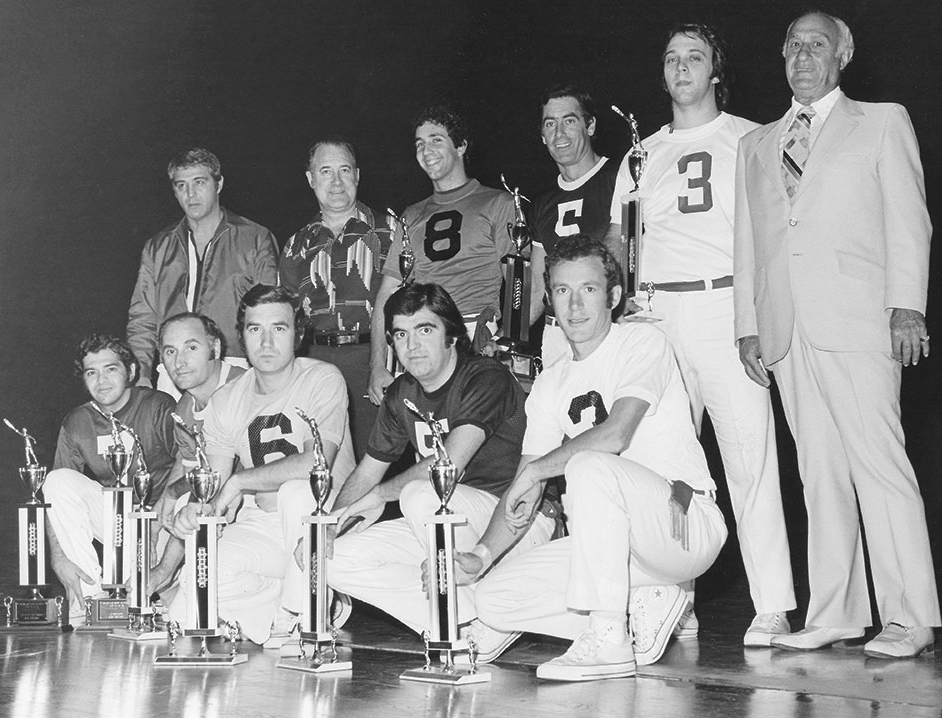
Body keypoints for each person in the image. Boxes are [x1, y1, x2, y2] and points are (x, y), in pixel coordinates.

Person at [734, 11, 938, 658]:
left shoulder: (881, 122)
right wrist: (748, 326)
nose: (802, 56)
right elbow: (748, 245)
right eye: (792, 45)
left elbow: (911, 221)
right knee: (819, 476)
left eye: (816, 45)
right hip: (787, 331)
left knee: (880, 468)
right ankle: (837, 612)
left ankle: (909, 616)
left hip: (859, 320)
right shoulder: (758, 144)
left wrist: (907, 305)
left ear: (842, 55)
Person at [601, 24, 795, 646]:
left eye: (694, 57)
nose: (681, 67)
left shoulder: (750, 138)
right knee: (663, 462)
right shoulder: (639, 155)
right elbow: (618, 241)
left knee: (749, 458)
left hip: (724, 308)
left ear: (716, 70)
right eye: (670, 58)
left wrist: (758, 317)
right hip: (655, 316)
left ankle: (772, 605)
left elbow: (776, 235)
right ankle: (672, 597)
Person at [468, 235, 727, 681]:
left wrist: (538, 469)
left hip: (682, 517)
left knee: (587, 464)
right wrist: (480, 553)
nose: (574, 305)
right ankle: (629, 605)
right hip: (613, 547)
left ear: (613, 296)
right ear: (549, 299)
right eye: (563, 291)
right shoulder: (551, 383)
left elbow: (615, 434)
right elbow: (523, 490)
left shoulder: (643, 342)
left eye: (588, 289)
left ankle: (609, 638)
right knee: (493, 600)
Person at [327, 283, 557, 645]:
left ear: (451, 335)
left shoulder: (485, 376)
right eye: (401, 334)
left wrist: (380, 497)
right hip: (442, 522)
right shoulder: (401, 393)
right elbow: (367, 471)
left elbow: (449, 464)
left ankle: (484, 609)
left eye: (425, 329)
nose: (412, 345)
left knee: (419, 495)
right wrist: (328, 527)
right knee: (334, 559)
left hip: (516, 522)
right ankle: (465, 620)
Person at [169, 285, 355, 644]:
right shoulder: (226, 400)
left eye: (279, 328)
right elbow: (217, 482)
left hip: (324, 521)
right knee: (194, 593)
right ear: (242, 336)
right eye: (255, 329)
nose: (266, 342)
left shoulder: (323, 377)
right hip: (265, 524)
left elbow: (316, 465)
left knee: (297, 491)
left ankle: (308, 612)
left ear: (298, 334)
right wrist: (197, 508)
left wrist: (239, 484)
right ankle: (288, 600)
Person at [367, 106, 515, 403]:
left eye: (436, 140)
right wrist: (378, 365)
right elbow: (388, 292)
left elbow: (519, 283)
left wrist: (506, 340)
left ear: (460, 146)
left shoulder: (497, 203)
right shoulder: (411, 215)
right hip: (420, 338)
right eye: (419, 143)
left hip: (475, 336)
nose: (426, 150)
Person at [43, 335, 177, 616]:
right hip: (119, 524)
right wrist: (58, 557)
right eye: (92, 372)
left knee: (163, 598)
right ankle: (88, 595)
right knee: (56, 481)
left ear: (130, 371)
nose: (101, 380)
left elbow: (189, 466)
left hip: (163, 523)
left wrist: (158, 524)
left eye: (110, 369)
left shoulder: (158, 406)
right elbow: (56, 501)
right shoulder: (78, 422)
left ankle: (156, 590)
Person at [127, 147, 278, 394]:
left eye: (199, 183)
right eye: (181, 186)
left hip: (235, 366)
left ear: (218, 184)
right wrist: (140, 374)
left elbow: (267, 313)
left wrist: (265, 371)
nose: (191, 194)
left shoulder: (255, 238)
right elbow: (142, 316)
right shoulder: (157, 247)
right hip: (174, 369)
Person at [278, 138, 391, 457]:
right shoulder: (296, 245)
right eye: (325, 171)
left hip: (376, 362)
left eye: (344, 170)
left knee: (378, 466)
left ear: (357, 175)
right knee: (323, 464)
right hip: (317, 363)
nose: (337, 181)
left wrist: (387, 366)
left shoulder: (391, 231)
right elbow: (287, 320)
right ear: (311, 179)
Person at [148, 312, 247, 592]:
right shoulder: (184, 408)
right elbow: (192, 472)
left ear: (214, 347)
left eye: (191, 347)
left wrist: (164, 569)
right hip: (225, 506)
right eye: (170, 351)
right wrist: (161, 510)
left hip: (266, 507)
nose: (179, 362)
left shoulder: (242, 387)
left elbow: (213, 485)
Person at [530, 85, 621, 366]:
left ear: (590, 126)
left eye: (569, 121)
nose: (559, 134)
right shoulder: (542, 203)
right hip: (557, 335)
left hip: (611, 328)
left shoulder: (620, 178)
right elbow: (536, 287)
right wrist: (504, 332)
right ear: (542, 135)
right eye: (550, 124)